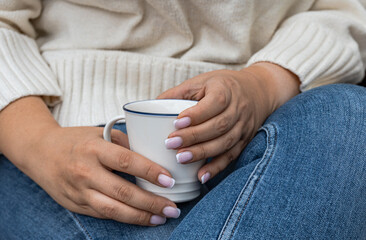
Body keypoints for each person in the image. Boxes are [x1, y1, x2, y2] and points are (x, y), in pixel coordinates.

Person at [0, 0, 366, 239]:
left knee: (351, 115)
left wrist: (265, 83)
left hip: (265, 129)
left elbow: (346, 9)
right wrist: (37, 142)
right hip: (62, 147)